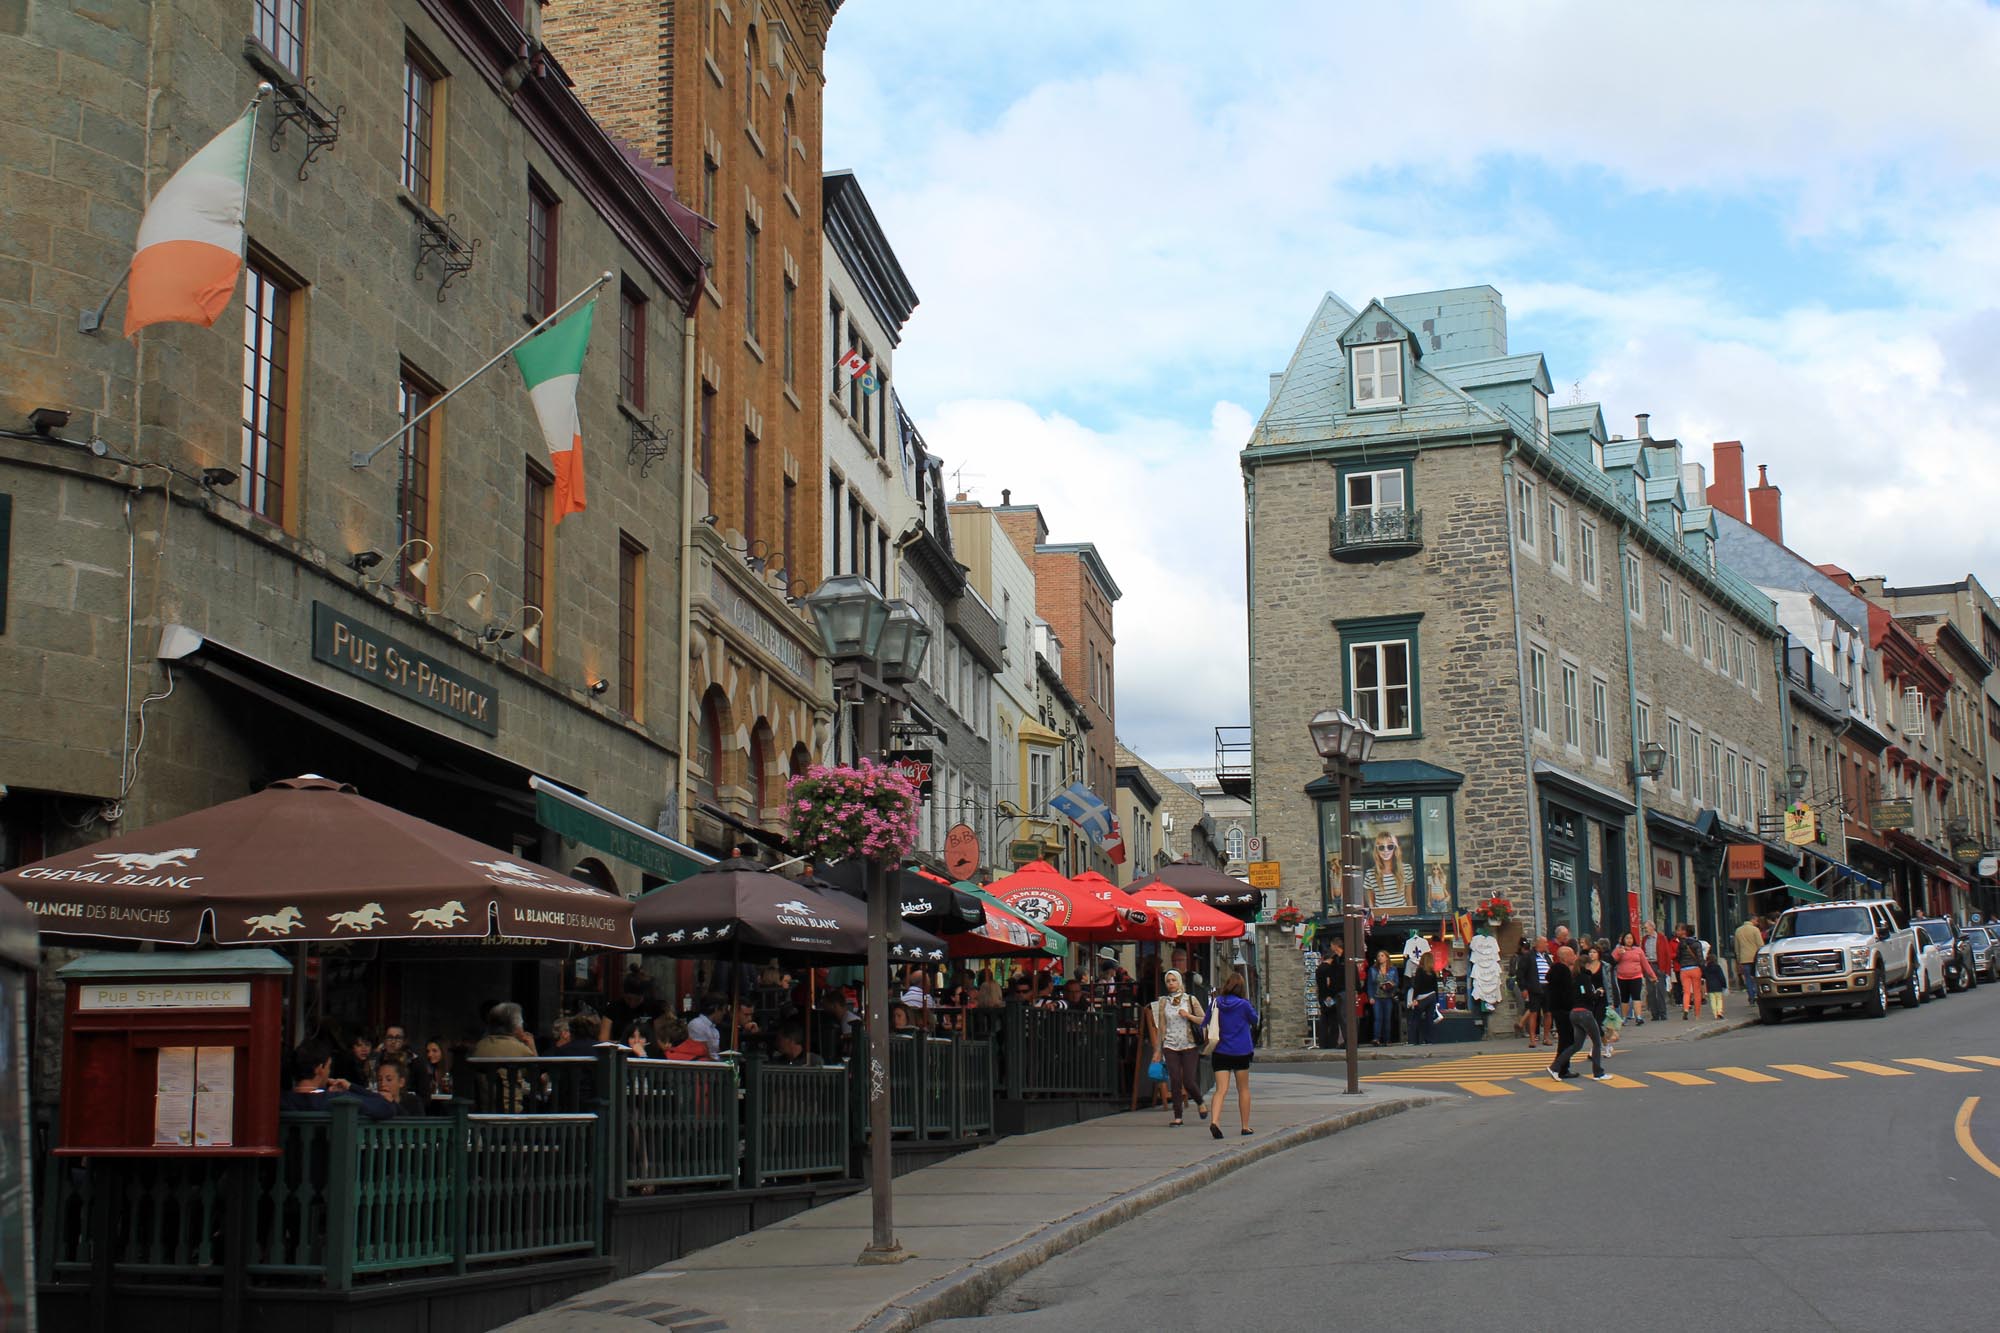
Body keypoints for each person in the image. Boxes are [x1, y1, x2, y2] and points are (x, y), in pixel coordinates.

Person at [1147, 969, 1207, 1127]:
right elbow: (1161, 1028)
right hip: (1170, 1045)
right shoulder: (1163, 1002)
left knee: (1188, 1080)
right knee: (1174, 1079)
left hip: (1189, 1045)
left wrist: (1188, 1016)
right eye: (1168, 981)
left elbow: (1203, 1020)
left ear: (1179, 982)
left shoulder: (1190, 1000)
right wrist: (1158, 1050)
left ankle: (1200, 1101)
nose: (1171, 983)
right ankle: (1178, 1116)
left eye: (1174, 980)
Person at [1205, 973, 1260, 1139]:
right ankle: (1245, 1126)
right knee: (1243, 1089)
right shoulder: (1244, 1004)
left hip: (1221, 1051)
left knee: (1221, 1090)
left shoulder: (1216, 1003)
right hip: (1241, 1051)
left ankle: (1215, 1120)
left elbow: (1206, 1021)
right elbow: (1255, 1020)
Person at [281, 1039, 394, 1119]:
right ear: (320, 1068)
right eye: (329, 1067)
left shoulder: (283, 1100)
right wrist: (351, 1087)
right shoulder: (335, 1099)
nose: (329, 1072)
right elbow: (385, 1107)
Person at [1547, 947, 1607, 1081]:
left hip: (1569, 1011)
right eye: (1572, 954)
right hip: (1570, 1011)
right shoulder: (1564, 971)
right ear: (1564, 957)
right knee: (1586, 1041)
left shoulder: (1569, 973)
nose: (1574, 957)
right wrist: (1597, 993)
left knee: (1574, 1043)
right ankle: (1597, 1072)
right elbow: (1579, 994)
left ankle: (1558, 1068)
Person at [1363, 830, 1415, 912]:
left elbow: (1409, 899)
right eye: (1381, 847)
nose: (1386, 850)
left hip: (1402, 918)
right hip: (1381, 921)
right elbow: (1371, 905)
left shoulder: (1407, 869)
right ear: (1377, 850)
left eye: (1390, 847)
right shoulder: (1370, 874)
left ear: (1395, 848)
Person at [1611, 931, 1654, 1027]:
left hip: (1636, 976)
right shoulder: (1618, 949)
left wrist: (1652, 975)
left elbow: (1645, 964)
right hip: (1622, 977)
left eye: (1631, 938)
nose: (1629, 940)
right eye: (1627, 938)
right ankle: (1624, 1018)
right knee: (1624, 998)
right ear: (1623, 940)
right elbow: (1612, 961)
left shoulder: (1638, 950)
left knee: (1636, 996)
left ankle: (1638, 1017)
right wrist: (1619, 954)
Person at [1315, 939, 1348, 1049]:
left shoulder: (1319, 969)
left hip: (1322, 995)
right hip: (1329, 996)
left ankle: (1323, 1042)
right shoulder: (1328, 969)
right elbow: (1329, 983)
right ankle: (1331, 1042)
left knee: (1324, 1019)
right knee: (1333, 1019)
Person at [1579, 946, 1611, 1056]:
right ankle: (1597, 1046)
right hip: (1590, 999)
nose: (1592, 954)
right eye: (1590, 952)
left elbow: (1610, 984)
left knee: (1597, 1024)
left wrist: (1611, 1002)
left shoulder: (1604, 966)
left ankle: (1605, 1046)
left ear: (1599, 954)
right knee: (1591, 1025)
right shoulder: (1585, 967)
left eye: (1594, 952)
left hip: (1602, 998)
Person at [1406, 952, 1441, 1045]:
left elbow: (1418, 986)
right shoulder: (1432, 973)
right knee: (1429, 1019)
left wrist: (1414, 999)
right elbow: (1435, 987)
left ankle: (1412, 1041)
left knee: (1415, 1019)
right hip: (1432, 997)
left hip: (1422, 998)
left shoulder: (1420, 971)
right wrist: (1437, 1000)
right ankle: (1429, 1040)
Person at [1676, 924, 1708, 1020]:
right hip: (1695, 968)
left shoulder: (1681, 944)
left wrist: (1682, 963)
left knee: (1686, 991)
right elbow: (1700, 958)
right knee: (1697, 991)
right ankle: (1697, 1014)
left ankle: (1686, 1008)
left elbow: (1678, 957)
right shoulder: (1697, 944)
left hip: (1684, 969)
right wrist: (1703, 969)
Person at [1370, 949, 1400, 1047]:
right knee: (1378, 1018)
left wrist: (1391, 984)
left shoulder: (1392, 969)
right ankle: (1376, 1038)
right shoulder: (1373, 969)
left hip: (1388, 996)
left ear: (1386, 957)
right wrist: (1370, 996)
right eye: (1378, 956)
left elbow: (1396, 982)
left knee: (1387, 1018)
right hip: (1377, 996)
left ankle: (1387, 1039)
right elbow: (1370, 984)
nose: (1380, 958)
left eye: (1382, 956)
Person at [1641, 921, 1668, 1022]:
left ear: (1652, 927)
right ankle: (1654, 1014)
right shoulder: (1644, 940)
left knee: (1660, 990)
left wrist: (1665, 969)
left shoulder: (1661, 938)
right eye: (1644, 928)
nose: (1645, 930)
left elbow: (1666, 954)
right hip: (1649, 965)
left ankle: (1663, 1013)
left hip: (1659, 965)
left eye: (1646, 928)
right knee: (1651, 991)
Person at [1735, 914, 1766, 999]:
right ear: (1752, 920)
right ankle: (1757, 994)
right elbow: (1760, 944)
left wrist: (1738, 960)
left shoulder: (1738, 931)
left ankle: (1751, 996)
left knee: (1748, 978)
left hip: (1744, 958)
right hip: (1754, 957)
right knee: (1756, 978)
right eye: (1756, 920)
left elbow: (1737, 947)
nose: (1757, 922)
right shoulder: (1755, 930)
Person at [688, 995, 725, 1059]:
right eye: (723, 1010)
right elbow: (702, 1053)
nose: (724, 1013)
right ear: (716, 1009)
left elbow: (716, 1053)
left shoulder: (715, 1030)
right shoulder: (697, 1024)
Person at [1704, 942, 1729, 1019]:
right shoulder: (1718, 967)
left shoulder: (1706, 969)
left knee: (1712, 1000)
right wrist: (1724, 985)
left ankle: (1715, 1013)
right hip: (1718, 986)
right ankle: (1719, 1011)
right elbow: (1721, 976)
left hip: (1710, 987)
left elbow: (1704, 976)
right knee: (1719, 999)